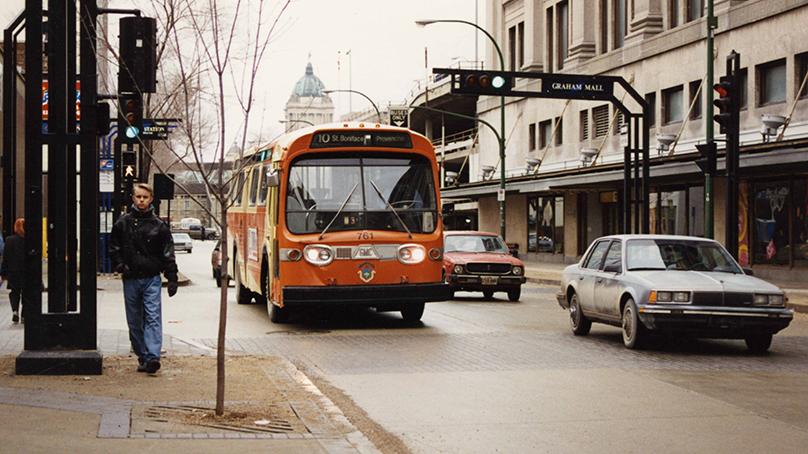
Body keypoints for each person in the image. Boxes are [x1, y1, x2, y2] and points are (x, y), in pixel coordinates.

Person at [110, 183, 178, 374]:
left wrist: (171, 276)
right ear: (133, 198)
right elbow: (114, 248)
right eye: (138, 197)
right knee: (135, 320)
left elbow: (168, 253)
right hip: (132, 277)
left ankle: (152, 355)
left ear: (151, 199)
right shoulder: (122, 223)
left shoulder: (159, 226)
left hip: (150, 277)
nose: (141, 200)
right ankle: (144, 355)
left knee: (152, 316)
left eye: (145, 197)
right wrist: (120, 264)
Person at [0, 218, 25, 324]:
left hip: (13, 272)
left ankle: (15, 311)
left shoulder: (9, 240)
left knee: (14, 292)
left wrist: (3, 272)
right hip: (25, 272)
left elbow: (5, 258)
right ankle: (24, 314)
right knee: (26, 293)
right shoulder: (28, 240)